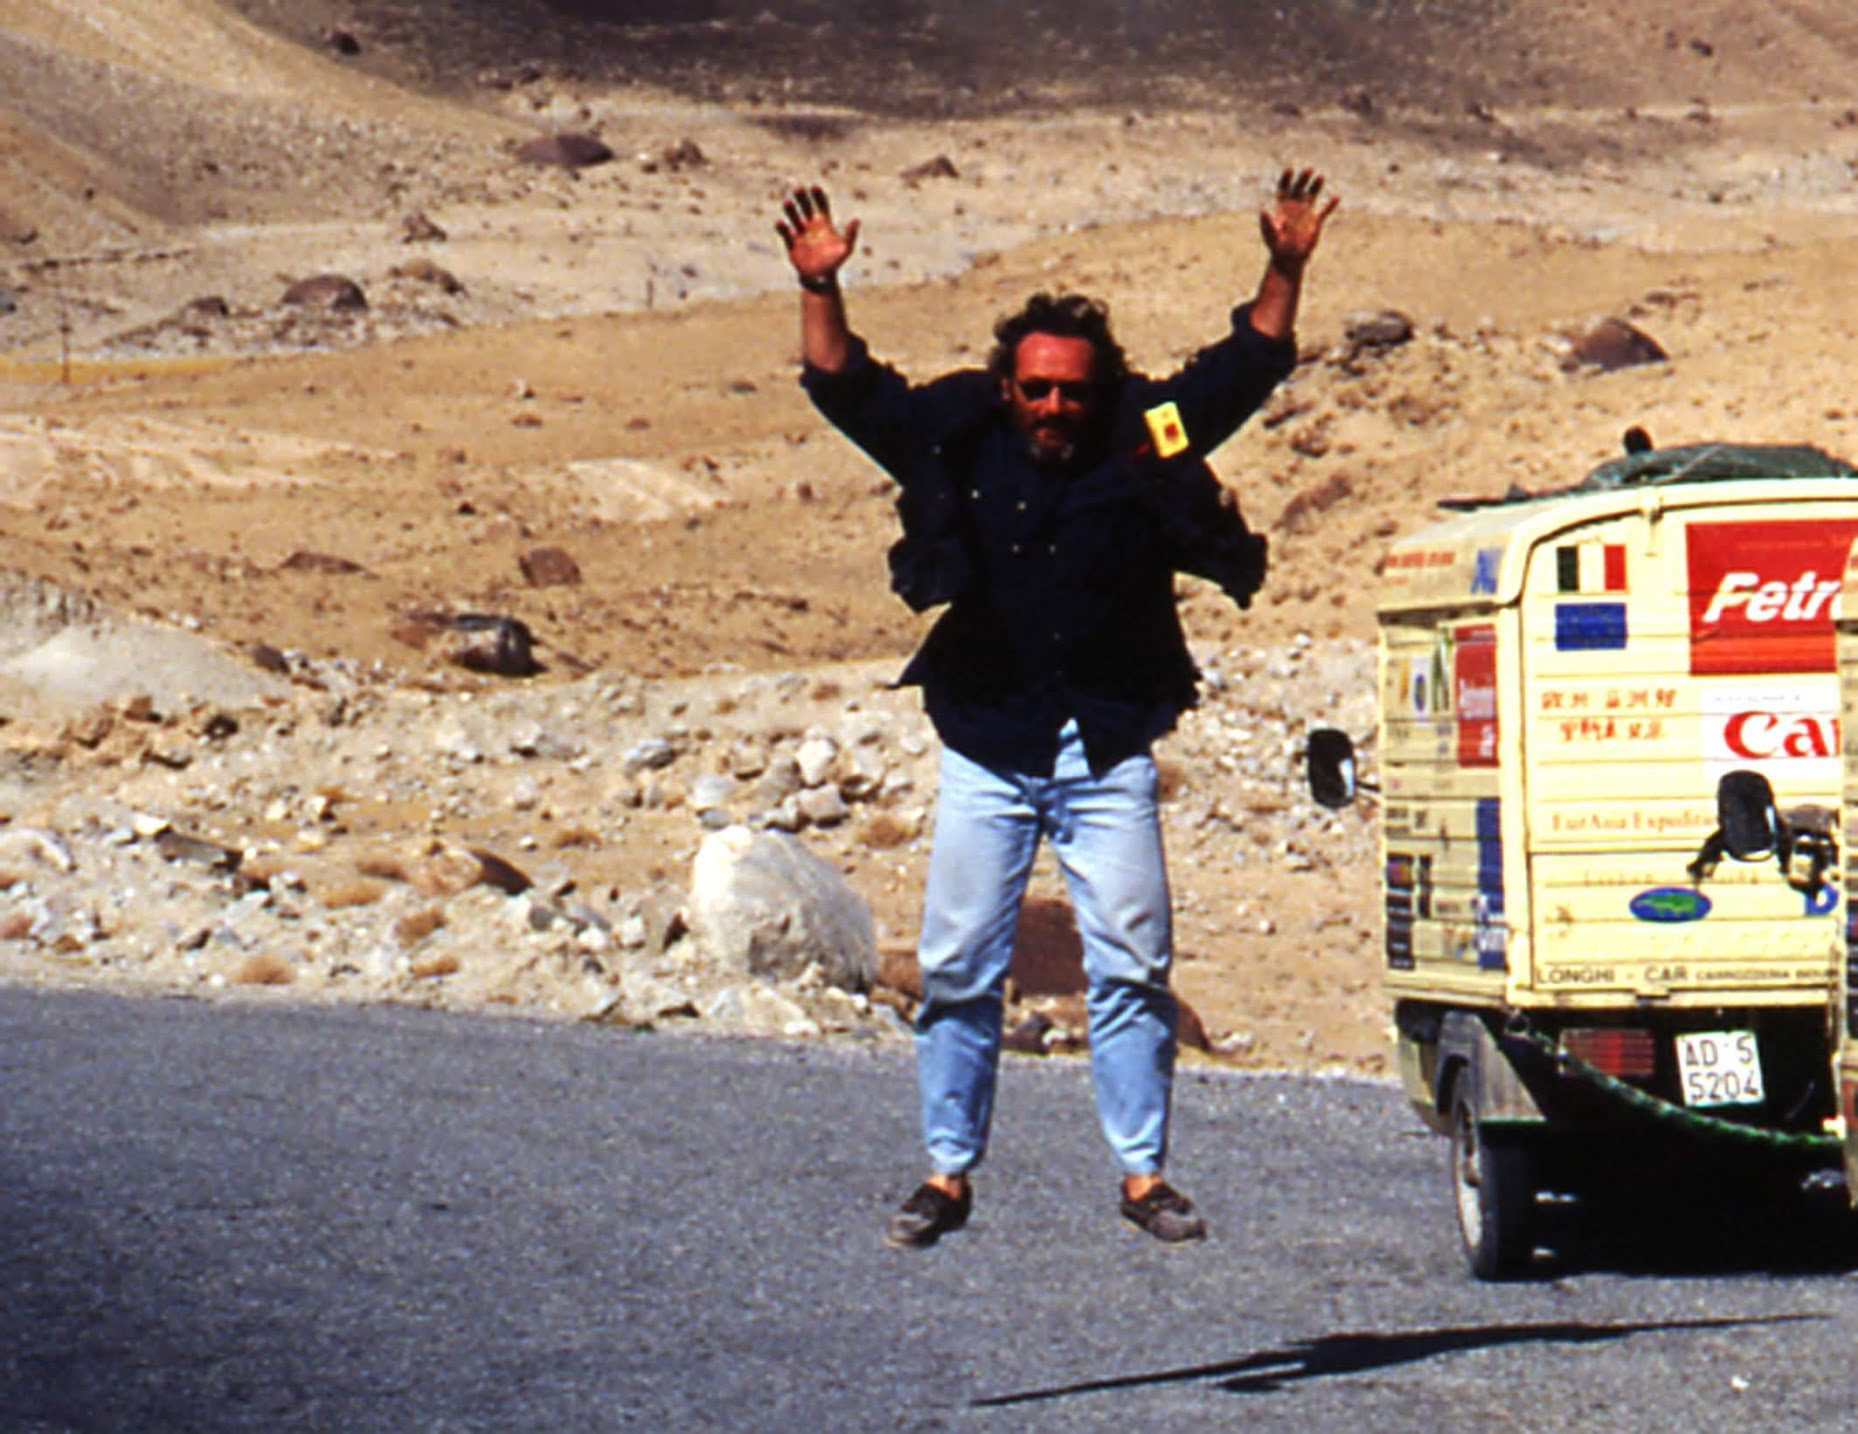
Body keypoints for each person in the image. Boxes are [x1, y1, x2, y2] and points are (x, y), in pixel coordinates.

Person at [776, 169, 1337, 1247]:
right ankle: (946, 1172)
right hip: (989, 737)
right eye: (1034, 389)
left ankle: (1142, 1175)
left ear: (1100, 387)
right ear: (1007, 386)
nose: (1052, 407)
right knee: (956, 967)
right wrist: (820, 286)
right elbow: (843, 382)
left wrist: (1284, 265)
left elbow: (1248, 367)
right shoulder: (956, 434)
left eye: (1072, 390)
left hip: (1108, 741)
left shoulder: (1144, 433)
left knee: (1132, 962)